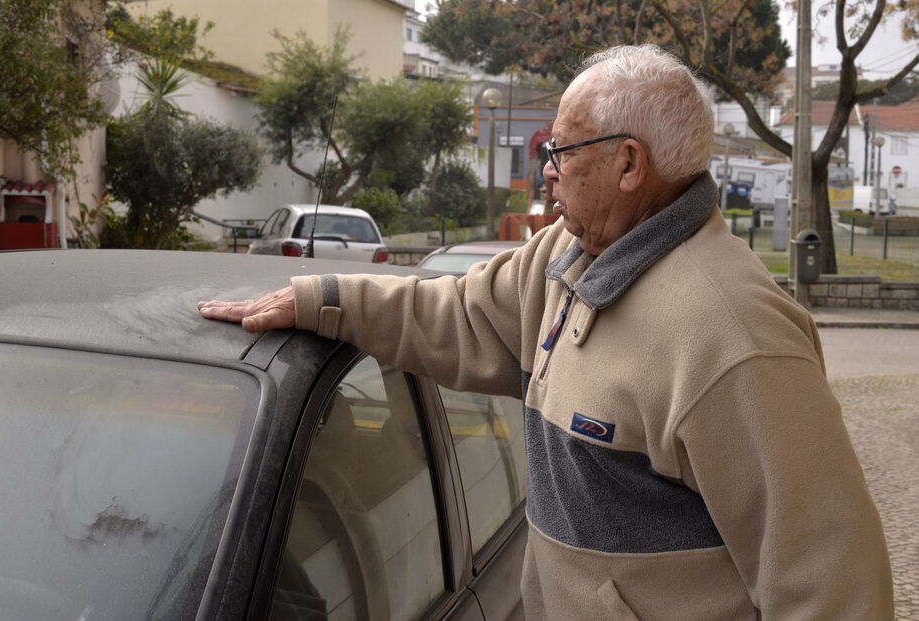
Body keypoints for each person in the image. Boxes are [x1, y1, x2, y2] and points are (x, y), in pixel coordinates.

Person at [199, 45, 893, 619]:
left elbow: (830, 582)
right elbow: (458, 314)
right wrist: (320, 300)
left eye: (562, 151)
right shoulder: (565, 254)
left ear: (628, 163)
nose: (550, 171)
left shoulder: (735, 334)